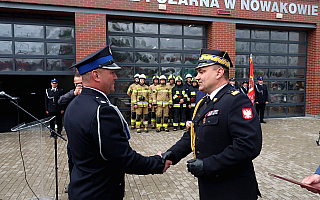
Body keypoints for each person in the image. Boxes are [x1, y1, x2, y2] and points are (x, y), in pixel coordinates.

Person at [64, 46, 170, 200]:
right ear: (96, 75)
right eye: (112, 72)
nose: (116, 77)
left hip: (80, 189)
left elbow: (73, 157)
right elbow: (124, 159)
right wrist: (157, 162)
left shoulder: (74, 105)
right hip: (100, 193)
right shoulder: (102, 111)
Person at [162, 48, 262, 200]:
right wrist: (172, 154)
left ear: (219, 72)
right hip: (210, 186)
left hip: (232, 189)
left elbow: (248, 145)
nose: (197, 77)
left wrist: (208, 165)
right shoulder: (204, 102)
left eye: (202, 72)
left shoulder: (236, 100)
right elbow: (192, 134)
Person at [57, 73, 82, 193]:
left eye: (81, 83)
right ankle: (73, 184)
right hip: (73, 137)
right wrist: (74, 93)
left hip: (87, 136)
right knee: (72, 162)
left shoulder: (89, 94)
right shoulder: (71, 94)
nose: (79, 86)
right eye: (77, 84)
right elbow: (60, 101)